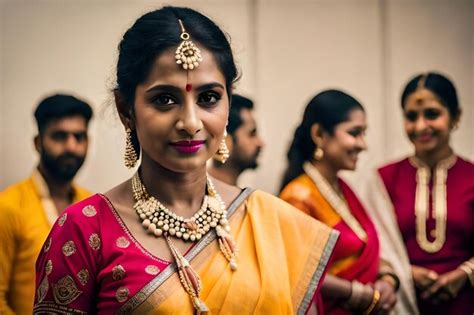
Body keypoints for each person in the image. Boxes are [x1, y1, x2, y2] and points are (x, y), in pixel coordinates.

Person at [33, 6, 338, 314]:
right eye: (165, 99)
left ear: (228, 103)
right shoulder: (83, 231)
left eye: (208, 98)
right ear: (126, 110)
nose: (190, 122)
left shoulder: (268, 220)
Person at [280, 90, 398, 315]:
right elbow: (300, 272)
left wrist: (388, 279)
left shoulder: (343, 189)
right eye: (355, 133)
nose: (363, 145)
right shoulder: (299, 197)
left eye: (364, 133)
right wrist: (357, 294)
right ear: (319, 134)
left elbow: (366, 249)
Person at [365, 72, 474, 314]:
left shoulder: (471, 176)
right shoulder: (384, 179)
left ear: (456, 117)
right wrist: (407, 273)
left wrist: (464, 275)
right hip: (402, 304)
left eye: (432, 114)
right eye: (411, 117)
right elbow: (374, 247)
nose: (421, 126)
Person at [0, 94, 93, 315]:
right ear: (38, 142)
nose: (71, 146)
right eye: (59, 136)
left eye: (79, 136)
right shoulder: (8, 207)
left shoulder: (91, 207)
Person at [208, 94, 264, 185]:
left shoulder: (241, 197)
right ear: (224, 141)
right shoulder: (202, 196)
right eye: (252, 134)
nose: (260, 143)